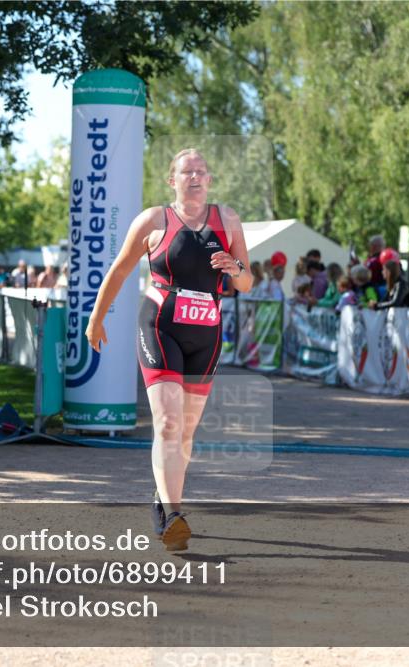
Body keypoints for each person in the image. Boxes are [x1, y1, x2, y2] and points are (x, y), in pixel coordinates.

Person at [85, 148, 251, 551]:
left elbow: (247, 283)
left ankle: (162, 498)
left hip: (207, 332)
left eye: (201, 171)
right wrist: (96, 318)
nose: (194, 177)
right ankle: (175, 514)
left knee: (187, 431)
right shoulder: (153, 220)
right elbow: (120, 269)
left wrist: (234, 270)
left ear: (209, 180)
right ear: (171, 180)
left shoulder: (227, 220)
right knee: (168, 424)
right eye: (186, 172)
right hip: (161, 324)